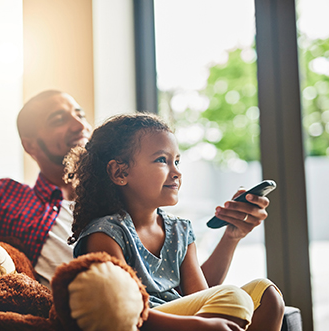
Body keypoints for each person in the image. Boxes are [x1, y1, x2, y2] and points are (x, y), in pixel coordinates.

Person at [0, 89, 272, 289]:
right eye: (58, 119)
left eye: (80, 114)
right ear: (31, 145)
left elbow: (188, 293)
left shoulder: (137, 199)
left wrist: (232, 235)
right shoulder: (5, 198)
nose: (79, 124)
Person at [66, 113, 285, 331]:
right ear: (119, 171)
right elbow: (119, 313)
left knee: (267, 294)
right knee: (233, 296)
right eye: (162, 160)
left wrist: (231, 236)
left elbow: (202, 296)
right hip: (143, 323)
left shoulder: (179, 230)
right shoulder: (105, 234)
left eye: (177, 161)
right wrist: (197, 326)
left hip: (183, 320)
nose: (177, 172)